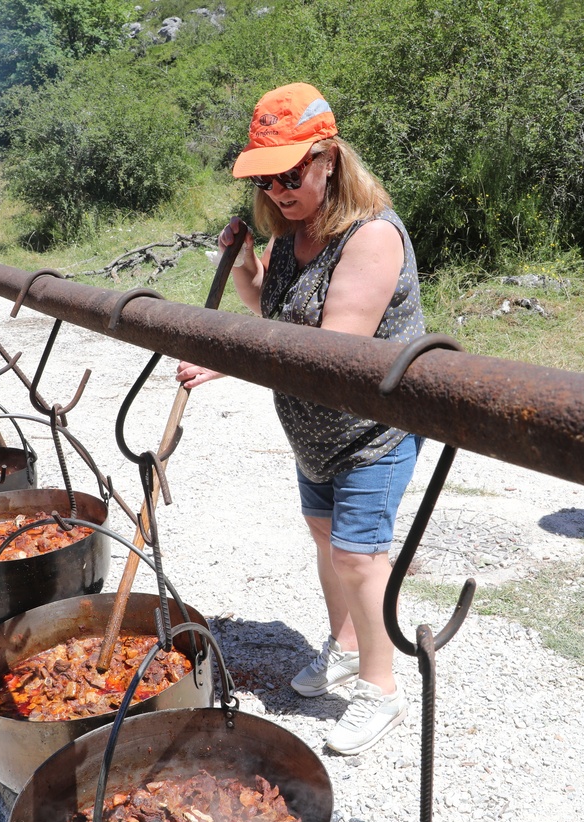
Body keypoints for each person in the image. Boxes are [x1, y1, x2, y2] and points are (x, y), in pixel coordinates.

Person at [177, 83, 425, 755]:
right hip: (314, 435)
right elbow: (275, 318)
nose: (280, 190)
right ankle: (345, 648)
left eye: (292, 173)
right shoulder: (292, 236)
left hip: (373, 432)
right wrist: (247, 268)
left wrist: (225, 362)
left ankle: (381, 688)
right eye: (269, 178)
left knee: (359, 557)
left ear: (328, 159)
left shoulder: (370, 238)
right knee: (325, 540)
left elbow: (328, 351)